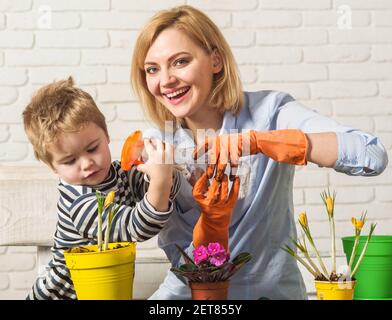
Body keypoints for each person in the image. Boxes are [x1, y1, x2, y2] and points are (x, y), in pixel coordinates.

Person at [130, 5, 388, 299]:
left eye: (180, 62)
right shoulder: (156, 147)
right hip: (191, 296)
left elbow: (372, 155)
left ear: (215, 60)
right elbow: (179, 256)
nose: (165, 81)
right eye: (152, 69)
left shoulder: (270, 112)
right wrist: (212, 220)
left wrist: (259, 142)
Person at [22, 77, 181, 299]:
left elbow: (161, 191)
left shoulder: (118, 173)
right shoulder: (80, 203)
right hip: (63, 296)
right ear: (53, 168)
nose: (87, 163)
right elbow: (138, 226)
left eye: (92, 148)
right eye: (69, 161)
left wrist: (158, 165)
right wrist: (160, 180)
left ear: (106, 134)